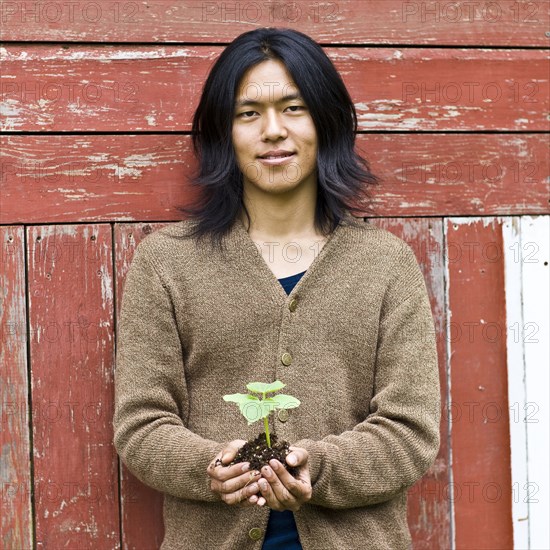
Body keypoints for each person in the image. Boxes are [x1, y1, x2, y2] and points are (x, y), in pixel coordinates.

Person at [113, 27, 441, 550]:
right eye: (248, 114)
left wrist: (320, 466)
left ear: (326, 121)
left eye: (294, 108)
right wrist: (207, 466)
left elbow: (410, 431)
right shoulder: (166, 263)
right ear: (225, 133)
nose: (272, 131)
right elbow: (141, 424)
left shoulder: (386, 265)